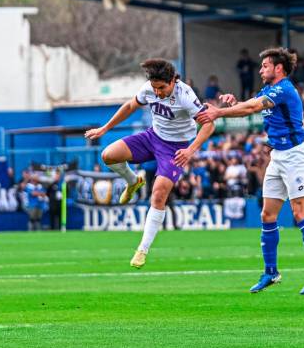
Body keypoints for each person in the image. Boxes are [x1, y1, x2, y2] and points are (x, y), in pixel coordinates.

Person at [196, 47, 304, 295]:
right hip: (277, 157)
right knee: (268, 215)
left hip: (295, 157)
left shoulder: (284, 88)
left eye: (265, 66)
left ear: (278, 69)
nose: (260, 69)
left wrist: (219, 112)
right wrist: (234, 101)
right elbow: (251, 105)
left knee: (300, 212)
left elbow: (252, 109)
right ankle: (271, 272)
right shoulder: (268, 90)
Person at [85, 59, 214, 269]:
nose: (158, 93)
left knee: (158, 194)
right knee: (108, 155)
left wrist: (191, 150)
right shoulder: (149, 89)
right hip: (152, 137)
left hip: (175, 147)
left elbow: (208, 124)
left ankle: (142, 249)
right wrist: (105, 129)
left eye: (162, 88)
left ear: (173, 81)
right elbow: (129, 106)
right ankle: (133, 181)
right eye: (155, 88)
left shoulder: (186, 96)